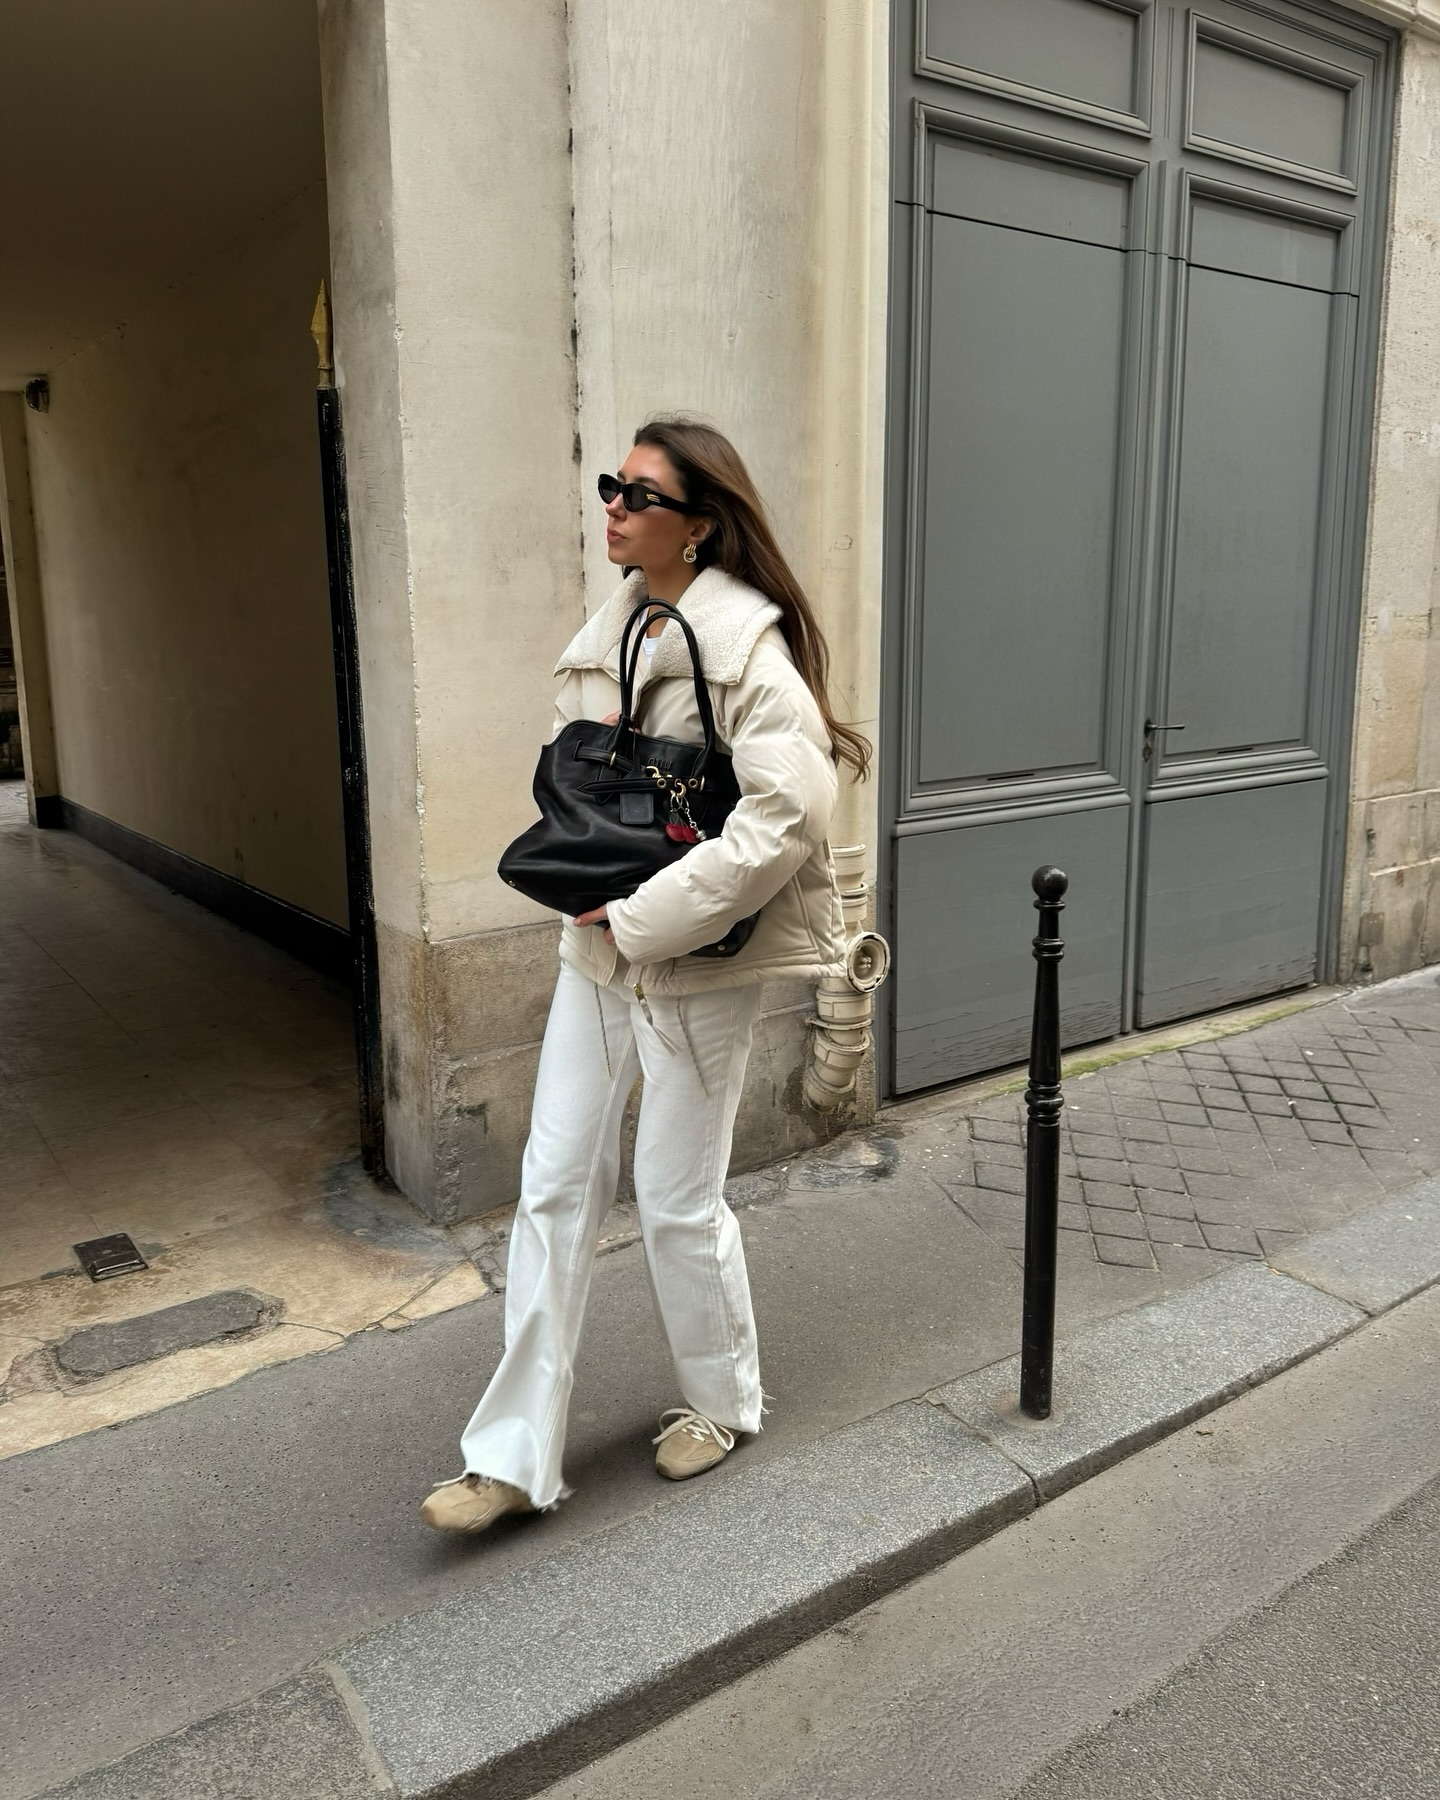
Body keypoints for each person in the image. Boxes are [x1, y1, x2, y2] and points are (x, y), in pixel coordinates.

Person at [421, 415, 869, 1533]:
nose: (614, 507)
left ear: (700, 525)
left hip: (696, 967)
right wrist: (597, 892)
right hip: (595, 956)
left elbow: (785, 821)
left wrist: (641, 919)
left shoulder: (748, 652)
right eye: (611, 486)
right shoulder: (605, 637)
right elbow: (576, 794)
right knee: (553, 1185)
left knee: (675, 1200)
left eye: (640, 494)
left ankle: (722, 1403)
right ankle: (510, 1458)